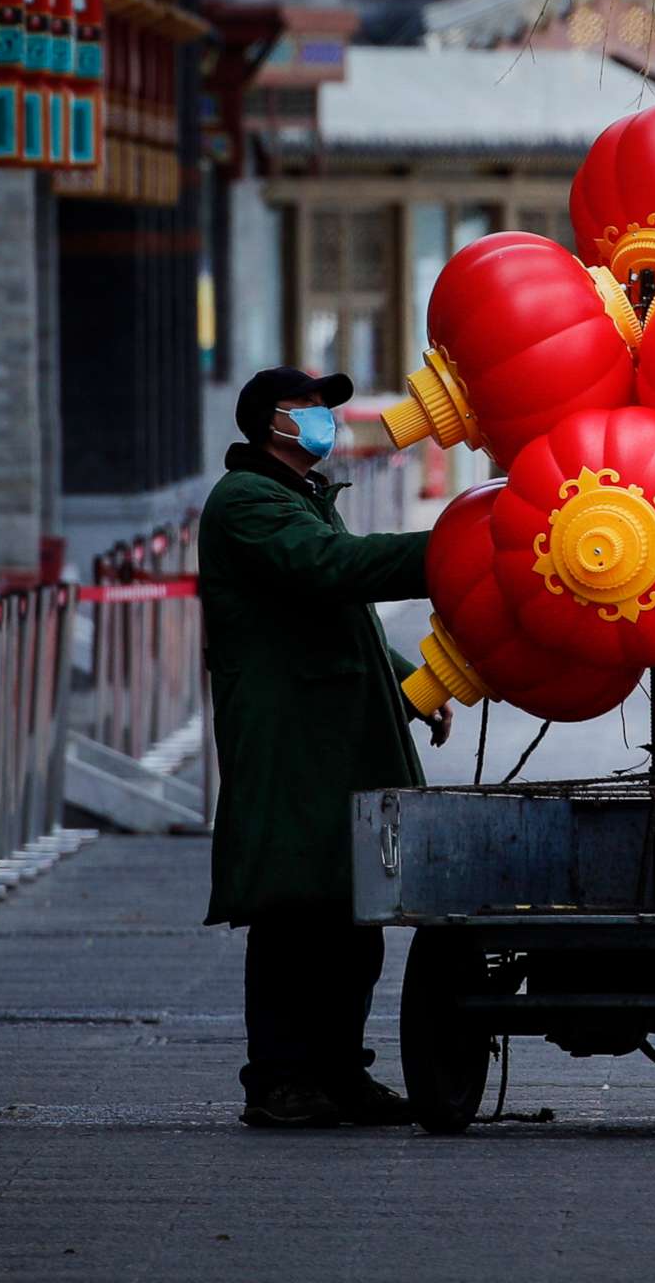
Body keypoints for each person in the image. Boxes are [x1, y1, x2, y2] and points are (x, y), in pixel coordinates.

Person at [199, 366, 450, 1131]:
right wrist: (449, 546)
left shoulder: (302, 497)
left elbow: (343, 619)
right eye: (304, 407)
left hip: (334, 736)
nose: (321, 420)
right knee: (294, 915)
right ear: (264, 421)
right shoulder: (247, 502)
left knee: (351, 919)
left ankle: (340, 1075)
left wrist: (409, 684)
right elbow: (328, 571)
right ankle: (279, 1081)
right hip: (289, 738)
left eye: (325, 408)